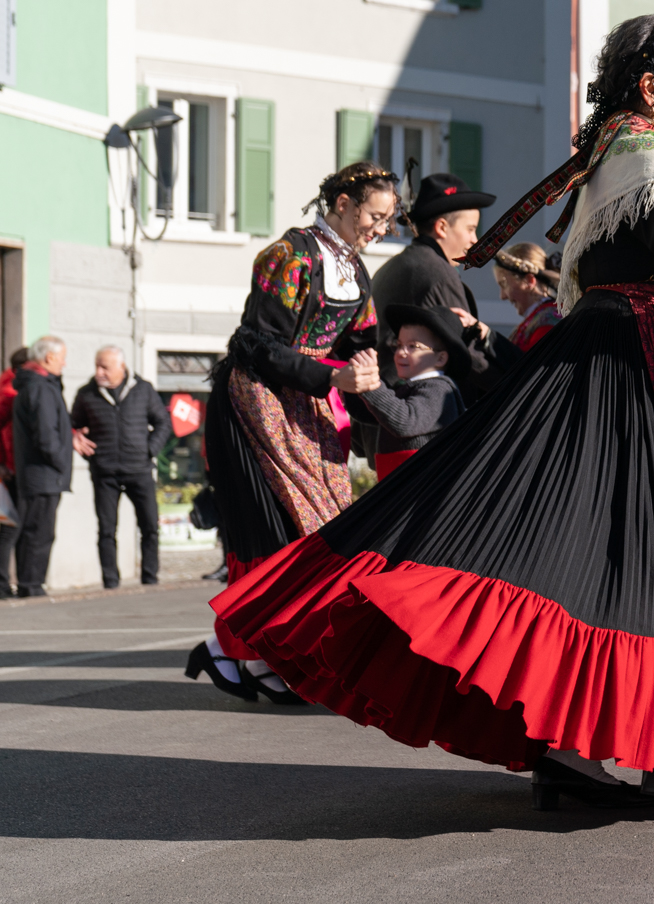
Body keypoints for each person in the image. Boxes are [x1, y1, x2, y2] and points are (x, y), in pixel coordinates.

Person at [211, 12, 654, 812]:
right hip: (629, 368)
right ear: (649, 86)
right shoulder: (636, 148)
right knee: (614, 550)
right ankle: (593, 749)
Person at [187, 162, 391, 705]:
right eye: (375, 216)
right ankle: (234, 646)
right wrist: (331, 374)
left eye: (388, 219)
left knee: (323, 529)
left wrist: (370, 371)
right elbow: (257, 345)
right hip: (260, 398)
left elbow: (360, 341)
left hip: (309, 401)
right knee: (277, 529)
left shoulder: (355, 269)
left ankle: (264, 652)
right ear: (343, 203)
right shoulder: (289, 256)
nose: (380, 228)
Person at [369, 171, 519, 399]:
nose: (474, 240)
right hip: (417, 413)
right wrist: (516, 386)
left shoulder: (396, 265)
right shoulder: (435, 273)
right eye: (470, 229)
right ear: (441, 227)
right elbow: (466, 354)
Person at [70, 345, 173, 588]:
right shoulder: (87, 394)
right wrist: (83, 446)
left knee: (149, 526)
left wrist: (149, 450)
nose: (99, 372)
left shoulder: (143, 389)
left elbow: (163, 423)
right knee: (106, 530)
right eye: (97, 366)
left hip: (140, 469)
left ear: (121, 367)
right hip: (105, 472)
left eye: (104, 367)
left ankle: (149, 578)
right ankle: (111, 582)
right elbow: (74, 427)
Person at [341, 305, 467, 480]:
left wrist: (371, 384)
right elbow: (375, 414)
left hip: (424, 486)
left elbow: (404, 421)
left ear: (441, 358)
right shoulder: (407, 387)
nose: (401, 352)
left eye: (413, 346)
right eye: (399, 344)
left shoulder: (439, 389)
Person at [10, 336, 81, 598]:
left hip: (41, 473)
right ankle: (31, 585)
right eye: (62, 357)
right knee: (38, 532)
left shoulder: (39, 385)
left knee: (37, 531)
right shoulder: (40, 387)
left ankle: (31, 583)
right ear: (49, 358)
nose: (64, 362)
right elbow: (45, 435)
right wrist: (61, 460)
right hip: (42, 473)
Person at [0, 347, 31, 596]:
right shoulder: (10, 391)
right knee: (10, 529)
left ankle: (19, 583)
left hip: (21, 468)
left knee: (19, 528)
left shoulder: (17, 389)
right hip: (12, 470)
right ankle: (2, 586)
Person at [492, 242, 561, 352]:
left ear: (529, 281)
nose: (502, 296)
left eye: (504, 284)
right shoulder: (541, 318)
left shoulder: (548, 323)